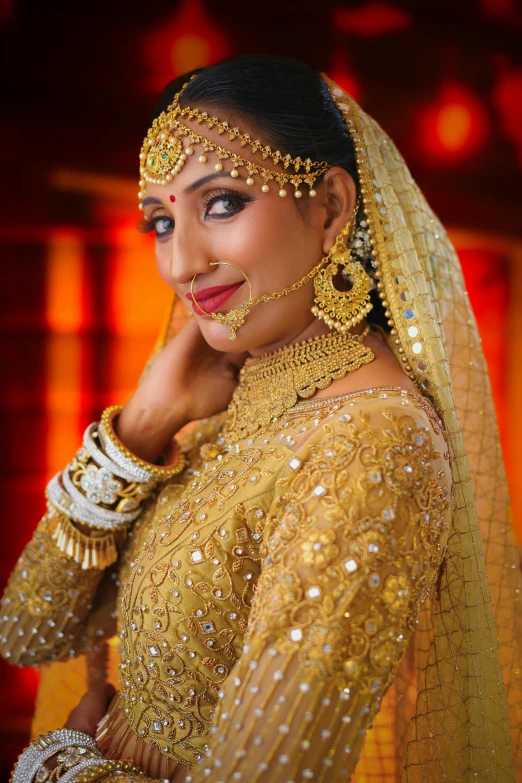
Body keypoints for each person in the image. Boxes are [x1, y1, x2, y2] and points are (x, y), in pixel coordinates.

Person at [2, 55, 521, 783]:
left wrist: (61, 765)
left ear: (332, 208)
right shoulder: (227, 402)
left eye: (221, 204)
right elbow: (31, 624)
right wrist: (144, 425)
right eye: (160, 220)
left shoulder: (372, 442)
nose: (182, 262)